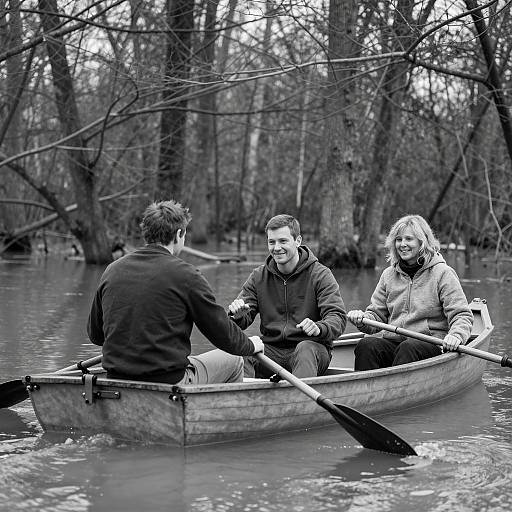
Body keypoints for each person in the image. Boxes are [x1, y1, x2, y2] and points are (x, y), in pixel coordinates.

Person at [87, 200, 264, 385]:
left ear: (146, 233)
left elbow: (96, 335)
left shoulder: (112, 270)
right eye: (185, 234)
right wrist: (250, 345)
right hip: (170, 383)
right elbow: (220, 333)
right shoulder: (186, 275)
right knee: (234, 360)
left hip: (116, 379)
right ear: (179, 234)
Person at [347, 214, 473, 370]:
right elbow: (376, 317)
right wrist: (363, 319)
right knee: (366, 345)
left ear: (422, 242)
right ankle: (366, 391)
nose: (402, 244)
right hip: (395, 342)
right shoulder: (388, 275)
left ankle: (398, 392)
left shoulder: (443, 273)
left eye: (408, 239)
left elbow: (462, 315)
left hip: (430, 343)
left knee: (408, 348)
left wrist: (456, 335)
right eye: (399, 239)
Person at [228, 214, 346, 378]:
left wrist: (319, 327)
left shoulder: (321, 274)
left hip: (311, 350)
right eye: (272, 242)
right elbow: (237, 322)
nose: (276, 248)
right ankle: (247, 399)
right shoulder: (258, 276)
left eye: (283, 241)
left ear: (298, 241)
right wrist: (236, 317)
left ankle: (300, 402)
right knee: (245, 347)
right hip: (271, 352)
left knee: (305, 349)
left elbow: (338, 318)